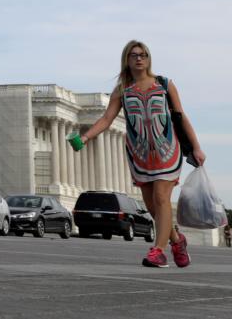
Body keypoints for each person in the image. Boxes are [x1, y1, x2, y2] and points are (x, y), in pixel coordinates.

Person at [72, 40, 205, 268]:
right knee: (153, 206)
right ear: (127, 59)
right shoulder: (123, 90)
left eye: (143, 54)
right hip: (139, 154)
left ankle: (158, 251)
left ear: (149, 58)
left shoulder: (164, 84)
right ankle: (177, 241)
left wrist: (196, 146)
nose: (139, 58)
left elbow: (181, 116)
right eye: (134, 55)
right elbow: (107, 119)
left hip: (167, 150)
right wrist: (85, 138)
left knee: (162, 199)